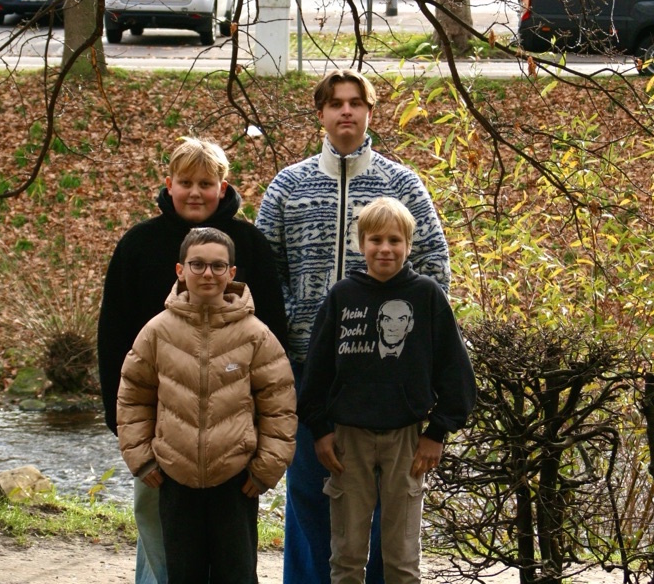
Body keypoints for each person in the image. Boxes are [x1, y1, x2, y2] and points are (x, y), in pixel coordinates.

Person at [255, 68, 451, 584]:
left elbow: (434, 267)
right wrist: (286, 336)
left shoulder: (401, 184)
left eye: (356, 103)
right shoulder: (288, 186)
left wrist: (414, 350)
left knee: (389, 502)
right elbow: (263, 272)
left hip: (388, 374)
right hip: (307, 368)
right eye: (336, 103)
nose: (346, 111)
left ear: (368, 112)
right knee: (309, 489)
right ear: (320, 113)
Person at [98, 137, 289, 584]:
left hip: (232, 430)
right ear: (170, 185)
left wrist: (264, 437)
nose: (196, 193)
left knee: (231, 546)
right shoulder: (139, 245)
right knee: (158, 530)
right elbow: (113, 339)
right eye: (186, 183)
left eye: (206, 183)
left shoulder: (248, 245)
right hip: (159, 425)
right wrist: (124, 427)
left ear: (223, 188)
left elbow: (272, 350)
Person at [297, 198, 476, 584]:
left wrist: (437, 432)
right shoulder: (342, 296)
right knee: (346, 556)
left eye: (395, 240)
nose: (385, 249)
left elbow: (456, 371)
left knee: (402, 559)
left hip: (407, 440)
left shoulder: (427, 295)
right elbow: (316, 371)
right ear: (361, 244)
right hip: (348, 439)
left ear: (408, 245)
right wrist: (320, 428)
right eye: (375, 240)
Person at [116, 227, 297, 584]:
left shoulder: (255, 334)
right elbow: (133, 396)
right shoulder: (157, 332)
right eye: (197, 264)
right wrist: (142, 457)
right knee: (183, 574)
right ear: (180, 270)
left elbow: (280, 404)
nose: (207, 274)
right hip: (174, 476)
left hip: (236, 479)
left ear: (232, 273)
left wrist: (265, 468)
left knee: (237, 574)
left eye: (218, 266)